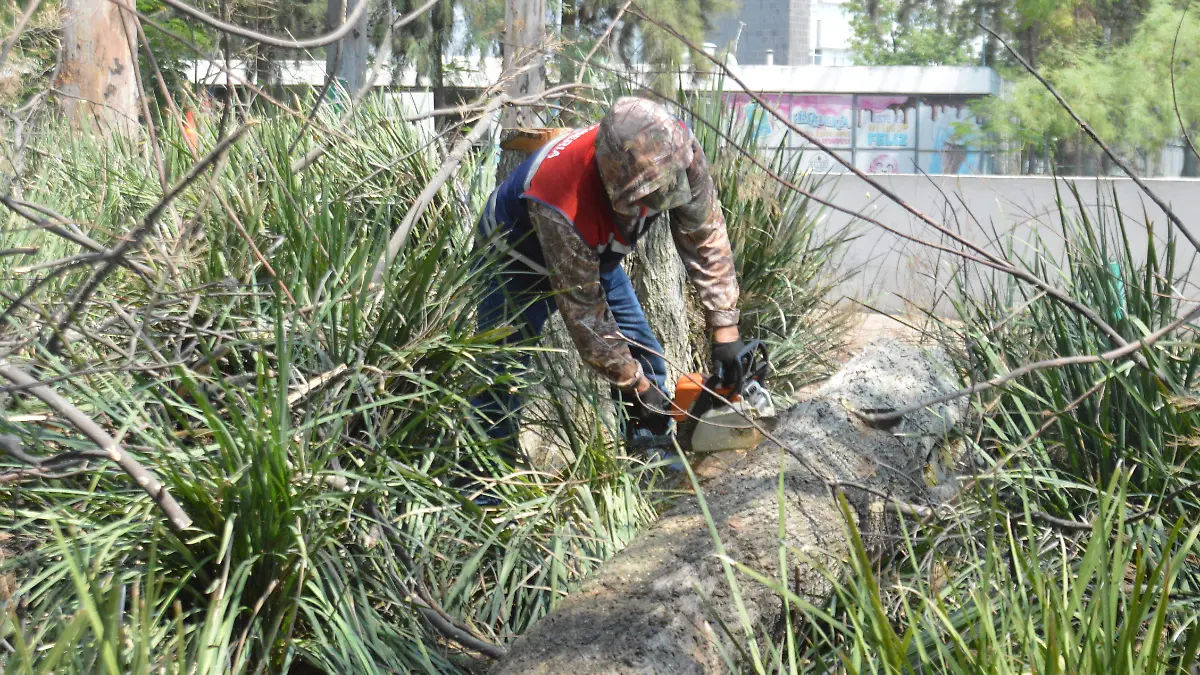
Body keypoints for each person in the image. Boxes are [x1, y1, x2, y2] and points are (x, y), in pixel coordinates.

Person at [473, 96, 745, 462]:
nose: (666, 197)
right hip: (512, 259)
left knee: (643, 353)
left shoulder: (677, 150)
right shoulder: (562, 199)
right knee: (502, 376)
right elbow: (586, 318)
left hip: (591, 255)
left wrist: (725, 329)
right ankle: (486, 478)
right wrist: (636, 385)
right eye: (654, 193)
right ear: (617, 184)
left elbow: (705, 235)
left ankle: (650, 458)